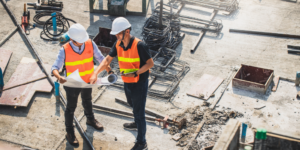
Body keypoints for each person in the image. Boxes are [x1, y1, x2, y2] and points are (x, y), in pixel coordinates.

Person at [90, 17, 154, 150]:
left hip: (139, 83)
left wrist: (136, 73)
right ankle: (137, 123)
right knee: (132, 104)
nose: (117, 36)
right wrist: (96, 73)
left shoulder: (140, 45)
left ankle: (142, 143)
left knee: (140, 112)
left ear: (127, 31)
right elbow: (107, 60)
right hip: (127, 81)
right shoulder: (118, 44)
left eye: (119, 33)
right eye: (116, 34)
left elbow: (150, 64)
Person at [51, 23, 112, 147]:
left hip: (88, 80)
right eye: (80, 41)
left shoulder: (89, 43)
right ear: (72, 39)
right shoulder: (65, 49)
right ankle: (70, 133)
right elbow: (55, 67)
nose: (83, 42)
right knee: (70, 108)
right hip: (72, 84)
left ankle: (90, 119)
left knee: (87, 100)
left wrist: (108, 68)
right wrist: (59, 77)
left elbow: (100, 58)